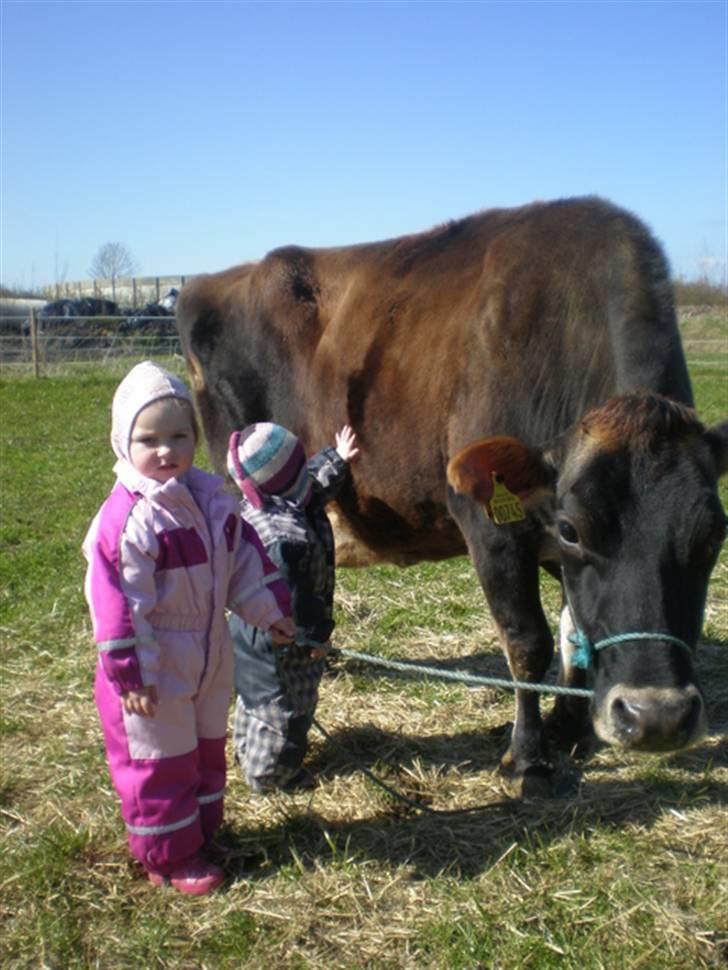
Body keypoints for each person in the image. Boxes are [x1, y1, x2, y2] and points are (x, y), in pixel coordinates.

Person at [82, 361, 295, 896]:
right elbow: (119, 605)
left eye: (179, 436)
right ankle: (168, 855)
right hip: (153, 671)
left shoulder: (210, 502)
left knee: (202, 751)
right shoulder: (130, 520)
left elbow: (245, 563)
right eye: (148, 439)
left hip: (206, 653)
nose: (165, 450)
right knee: (158, 762)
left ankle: (201, 835)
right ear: (121, 442)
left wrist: (272, 612)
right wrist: (133, 674)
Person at [226, 421, 359, 793]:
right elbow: (297, 601)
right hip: (283, 642)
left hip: (252, 629)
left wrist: (338, 458)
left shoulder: (282, 497)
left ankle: (249, 749)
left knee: (255, 695)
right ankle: (269, 774)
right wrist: (314, 638)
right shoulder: (284, 538)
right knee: (285, 705)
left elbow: (314, 482)